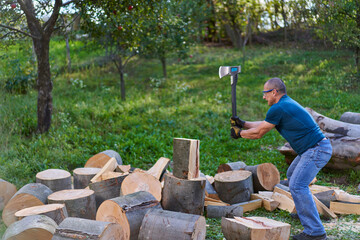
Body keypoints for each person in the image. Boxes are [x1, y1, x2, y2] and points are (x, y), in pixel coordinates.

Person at [231, 77, 332, 240]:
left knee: (297, 185)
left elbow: (259, 133)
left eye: (265, 93)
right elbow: (265, 123)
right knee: (293, 177)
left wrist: (239, 134)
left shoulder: (278, 108)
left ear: (274, 92)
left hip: (316, 150)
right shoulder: (284, 105)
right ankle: (304, 213)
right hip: (313, 149)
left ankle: (316, 232)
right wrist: (243, 123)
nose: (263, 97)